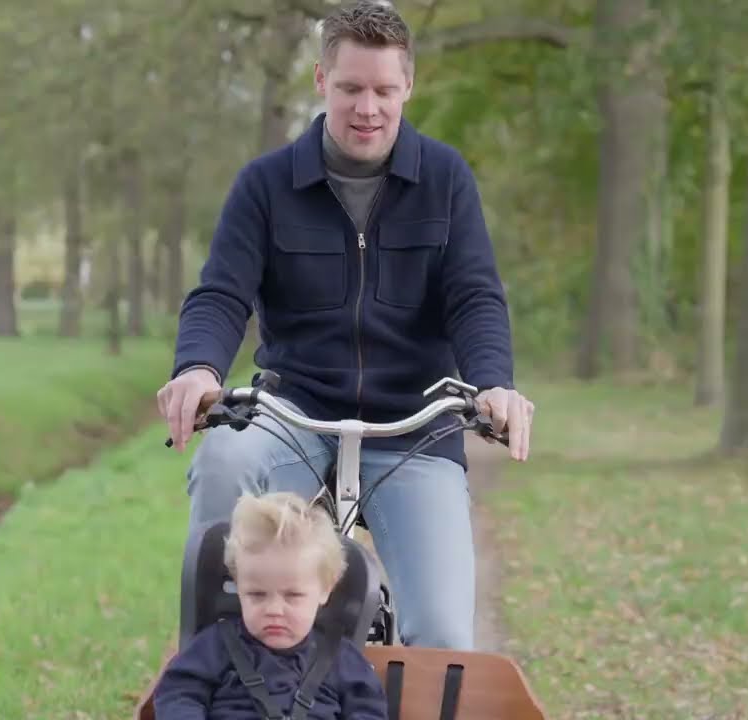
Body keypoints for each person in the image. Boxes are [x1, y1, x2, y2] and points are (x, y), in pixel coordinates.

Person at [155, 0, 534, 651]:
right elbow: (220, 293)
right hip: (292, 414)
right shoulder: (265, 185)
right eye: (352, 87)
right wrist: (198, 368)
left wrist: (494, 385)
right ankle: (214, 664)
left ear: (408, 86)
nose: (369, 108)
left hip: (411, 426)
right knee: (223, 460)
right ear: (320, 80)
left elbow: (474, 297)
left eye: (385, 90)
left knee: (443, 635)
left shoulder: (445, 180)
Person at [152, 492, 388, 720]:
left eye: (293, 596)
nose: (274, 610)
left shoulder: (341, 658)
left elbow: (368, 711)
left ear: (326, 589)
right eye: (257, 594)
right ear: (238, 584)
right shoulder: (216, 646)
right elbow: (178, 694)